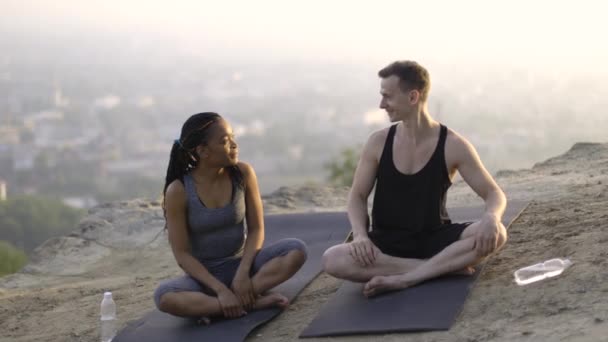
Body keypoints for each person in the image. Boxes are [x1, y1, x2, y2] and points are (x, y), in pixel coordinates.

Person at [322, 61, 508, 297]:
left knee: (497, 232)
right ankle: (438, 269)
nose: (381, 105)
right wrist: (360, 235)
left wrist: (492, 216)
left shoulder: (453, 145)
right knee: (332, 259)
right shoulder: (378, 143)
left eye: (387, 97)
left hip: (434, 238)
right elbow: (357, 196)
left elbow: (494, 193)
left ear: (412, 97)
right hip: (386, 244)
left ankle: (408, 278)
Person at [154, 112, 307, 320]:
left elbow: (256, 229)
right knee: (164, 297)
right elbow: (182, 255)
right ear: (202, 151)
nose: (234, 145)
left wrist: (242, 274)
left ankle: (227, 303)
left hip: (244, 265)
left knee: (296, 250)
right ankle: (247, 302)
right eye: (225, 141)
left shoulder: (242, 173)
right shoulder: (178, 190)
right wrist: (220, 289)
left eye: (233, 137)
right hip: (205, 279)